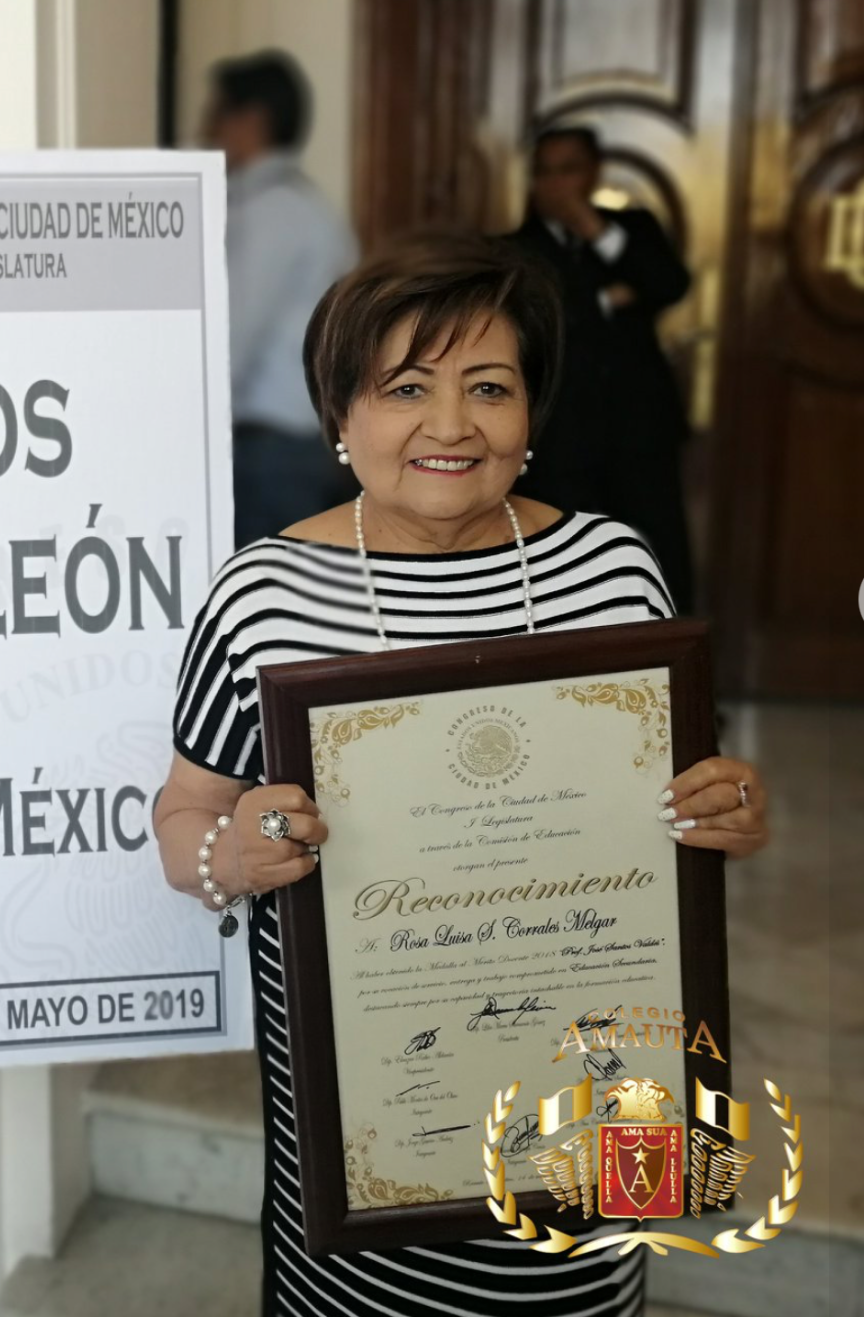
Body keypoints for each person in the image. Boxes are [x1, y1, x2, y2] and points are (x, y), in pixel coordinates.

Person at [155, 233, 771, 1317]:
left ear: (531, 415)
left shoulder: (613, 570)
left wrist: (729, 810)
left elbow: (688, 786)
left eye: (490, 386)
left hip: (585, 1114)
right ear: (340, 414)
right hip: (366, 1150)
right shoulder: (267, 599)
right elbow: (186, 815)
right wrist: (230, 852)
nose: (451, 426)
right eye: (406, 388)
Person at [509, 125, 697, 612]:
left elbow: (669, 283)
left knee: (662, 554)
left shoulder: (633, 229)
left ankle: (674, 668)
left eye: (568, 169)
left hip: (638, 430)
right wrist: (610, 297)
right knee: (559, 562)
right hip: (556, 437)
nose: (555, 183)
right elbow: (540, 316)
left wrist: (594, 229)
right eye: (544, 172)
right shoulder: (512, 248)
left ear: (593, 173)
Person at [201, 50, 358, 548]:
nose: (205, 129)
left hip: (268, 452)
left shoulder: (271, 213)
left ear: (251, 120)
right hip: (297, 446)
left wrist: (184, 429)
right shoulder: (307, 205)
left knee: (262, 607)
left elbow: (232, 337)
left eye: (214, 113)